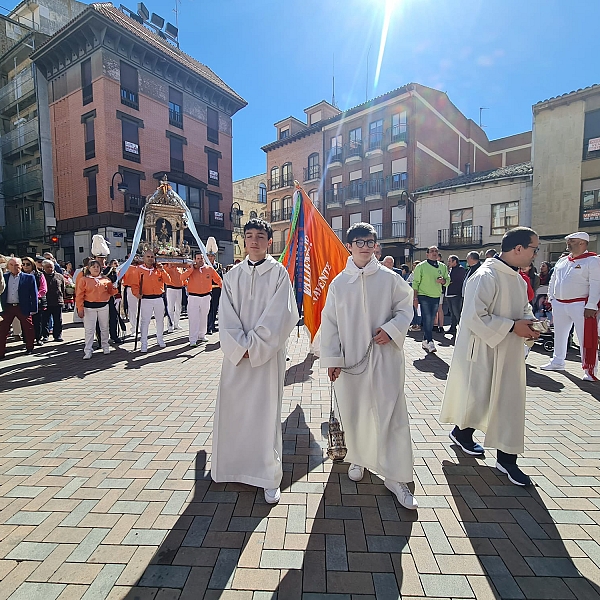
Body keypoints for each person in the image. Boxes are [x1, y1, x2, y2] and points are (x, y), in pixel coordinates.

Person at [321, 222, 417, 509]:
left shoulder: (390, 279)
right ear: (349, 245)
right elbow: (331, 325)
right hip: (352, 361)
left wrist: (392, 329)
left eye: (370, 241)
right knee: (355, 411)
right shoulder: (339, 283)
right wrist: (333, 360)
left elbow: (405, 309)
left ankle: (395, 474)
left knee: (391, 412)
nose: (365, 246)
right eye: (359, 241)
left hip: (386, 357)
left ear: (376, 245)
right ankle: (358, 459)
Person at [440, 227, 541, 486]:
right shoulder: (485, 275)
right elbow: (474, 316)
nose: (535, 254)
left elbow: (523, 309)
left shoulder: (518, 279)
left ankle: (507, 459)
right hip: (484, 349)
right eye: (534, 249)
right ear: (518, 249)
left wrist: (530, 324)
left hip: (508, 350)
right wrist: (511, 326)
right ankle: (463, 435)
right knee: (480, 397)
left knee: (508, 402)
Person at [211, 218, 299, 504]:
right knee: (234, 410)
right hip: (236, 358)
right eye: (249, 236)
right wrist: (240, 347)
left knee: (264, 413)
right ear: (243, 240)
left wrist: (257, 346)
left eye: (260, 236)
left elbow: (281, 314)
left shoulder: (278, 274)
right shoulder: (233, 275)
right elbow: (226, 316)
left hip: (266, 357)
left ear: (269, 241)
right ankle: (232, 467)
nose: (254, 241)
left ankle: (266, 474)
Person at [541, 232, 600, 380]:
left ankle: (589, 369)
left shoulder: (592, 261)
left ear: (582, 243)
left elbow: (596, 283)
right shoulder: (562, 261)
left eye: (572, 241)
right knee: (559, 334)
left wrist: (592, 305)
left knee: (584, 337)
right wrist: (551, 298)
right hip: (560, 303)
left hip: (580, 304)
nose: (568, 243)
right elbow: (553, 280)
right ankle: (557, 361)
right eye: (568, 240)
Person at [76, 259, 118, 359]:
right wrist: (80, 308)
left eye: (97, 267)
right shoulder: (84, 280)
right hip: (89, 307)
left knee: (104, 327)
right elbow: (79, 295)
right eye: (93, 267)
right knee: (89, 330)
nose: (96, 268)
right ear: (89, 268)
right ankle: (88, 350)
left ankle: (105, 345)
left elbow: (112, 292)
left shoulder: (106, 280)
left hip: (103, 306)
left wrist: (114, 288)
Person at [411, 246, 450, 352]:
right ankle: (430, 341)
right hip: (423, 295)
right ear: (427, 254)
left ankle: (425, 341)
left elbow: (447, 279)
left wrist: (443, 281)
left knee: (431, 319)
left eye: (436, 251)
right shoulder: (420, 266)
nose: (434, 253)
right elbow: (415, 283)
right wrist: (415, 297)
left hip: (436, 295)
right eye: (432, 251)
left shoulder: (442, 266)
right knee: (427, 318)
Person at [181, 253, 222, 346]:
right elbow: (182, 277)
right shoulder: (190, 269)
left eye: (201, 258)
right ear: (195, 259)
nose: (200, 260)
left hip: (206, 296)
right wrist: (191, 269)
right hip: (193, 297)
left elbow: (218, 279)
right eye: (198, 258)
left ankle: (202, 335)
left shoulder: (209, 269)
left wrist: (222, 287)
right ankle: (192, 339)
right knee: (193, 318)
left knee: (204, 316)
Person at [0, 257, 38, 358]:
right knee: (2, 329)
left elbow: (34, 294)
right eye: (11, 265)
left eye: (16, 265)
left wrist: (34, 308)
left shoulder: (29, 278)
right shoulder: (4, 277)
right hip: (7, 307)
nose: (14, 267)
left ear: (21, 266)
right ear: (8, 266)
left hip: (22, 306)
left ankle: (30, 347)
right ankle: (1, 351)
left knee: (28, 328)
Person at [136, 251, 172, 353]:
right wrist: (136, 293)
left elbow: (168, 281)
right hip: (146, 299)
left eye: (152, 257)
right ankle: (144, 343)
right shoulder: (139, 270)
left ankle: (160, 339)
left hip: (158, 298)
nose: (150, 258)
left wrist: (162, 270)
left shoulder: (158, 269)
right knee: (145, 321)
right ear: (144, 258)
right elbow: (135, 284)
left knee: (160, 320)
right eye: (148, 256)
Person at [21, 257, 47, 346]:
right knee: (24, 321)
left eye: (28, 264)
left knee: (37, 321)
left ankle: (38, 338)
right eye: (23, 264)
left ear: (32, 265)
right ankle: (26, 338)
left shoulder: (39, 274)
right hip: (24, 301)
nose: (25, 266)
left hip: (37, 301)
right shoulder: (20, 275)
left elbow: (43, 289)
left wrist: (35, 297)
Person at [41, 259, 65, 342]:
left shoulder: (59, 276)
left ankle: (57, 335)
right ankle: (45, 335)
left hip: (57, 301)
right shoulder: (41, 276)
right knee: (45, 320)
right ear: (43, 268)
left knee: (58, 320)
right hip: (45, 302)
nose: (50, 269)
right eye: (47, 267)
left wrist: (63, 299)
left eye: (51, 267)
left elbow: (63, 288)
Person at [445, 255, 466, 335]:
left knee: (457, 312)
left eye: (450, 261)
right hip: (449, 294)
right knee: (452, 313)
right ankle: (452, 328)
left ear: (455, 261)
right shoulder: (451, 269)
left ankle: (462, 329)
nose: (448, 263)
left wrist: (447, 281)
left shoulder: (460, 269)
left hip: (455, 294)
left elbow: (456, 280)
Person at [121, 256, 140, 335]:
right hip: (130, 289)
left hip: (141, 289)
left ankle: (140, 327)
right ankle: (134, 328)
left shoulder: (142, 267)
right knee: (132, 310)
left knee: (141, 310)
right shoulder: (126, 267)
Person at [164, 262, 186, 332]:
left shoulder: (180, 268)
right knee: (170, 307)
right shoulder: (167, 267)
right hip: (171, 288)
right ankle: (170, 325)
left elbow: (183, 277)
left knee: (178, 307)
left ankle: (176, 323)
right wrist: (169, 265)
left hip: (179, 288)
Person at [207, 252, 224, 334]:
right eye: (209, 256)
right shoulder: (205, 266)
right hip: (208, 289)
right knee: (209, 309)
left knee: (215, 308)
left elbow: (221, 277)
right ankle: (208, 327)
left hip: (217, 290)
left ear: (214, 257)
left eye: (212, 256)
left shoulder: (218, 266)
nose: (210, 258)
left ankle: (212, 325)